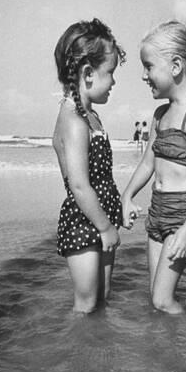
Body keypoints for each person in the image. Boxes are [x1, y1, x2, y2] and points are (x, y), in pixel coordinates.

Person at [121, 20, 186, 315]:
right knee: (155, 297)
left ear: (175, 66)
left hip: (181, 215)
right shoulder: (160, 115)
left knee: (162, 300)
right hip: (157, 211)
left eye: (149, 66)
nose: (144, 75)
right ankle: (164, 351)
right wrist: (127, 196)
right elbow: (148, 162)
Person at [52, 18, 126, 313]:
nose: (114, 81)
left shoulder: (90, 115)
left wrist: (117, 210)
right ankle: (77, 354)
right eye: (110, 72)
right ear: (87, 73)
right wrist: (105, 227)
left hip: (103, 214)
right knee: (85, 302)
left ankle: (100, 354)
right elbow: (79, 185)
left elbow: (102, 176)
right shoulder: (73, 121)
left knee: (103, 294)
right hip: (85, 221)